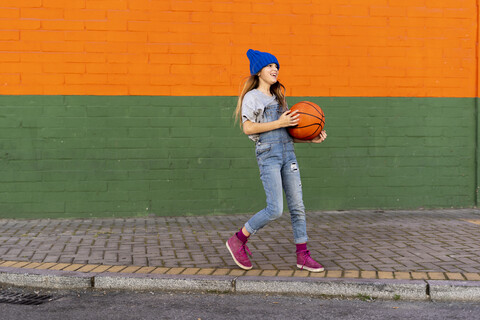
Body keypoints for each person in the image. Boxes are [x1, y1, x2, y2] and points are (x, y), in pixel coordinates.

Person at [226, 49, 327, 272]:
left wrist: (310, 139)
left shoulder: (279, 97)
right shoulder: (252, 97)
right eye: (270, 66)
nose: (275, 69)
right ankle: (238, 240)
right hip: (268, 155)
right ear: (258, 71)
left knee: (298, 207)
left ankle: (303, 256)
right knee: (274, 209)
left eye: (276, 66)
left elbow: (287, 133)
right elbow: (248, 128)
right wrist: (279, 123)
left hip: (288, 154)